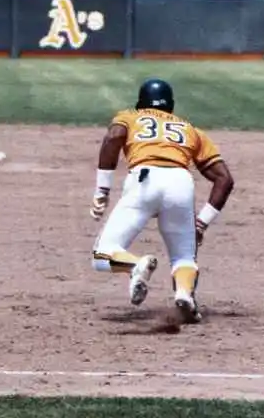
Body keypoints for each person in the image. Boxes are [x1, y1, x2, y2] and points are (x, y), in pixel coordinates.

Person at [89, 78, 235, 323]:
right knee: (184, 257)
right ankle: (184, 296)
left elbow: (114, 137)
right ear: (171, 105)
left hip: (143, 182)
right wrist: (202, 223)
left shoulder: (130, 117)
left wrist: (102, 189)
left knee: (102, 255)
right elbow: (225, 179)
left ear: (141, 102)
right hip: (180, 183)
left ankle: (135, 265)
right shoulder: (190, 129)